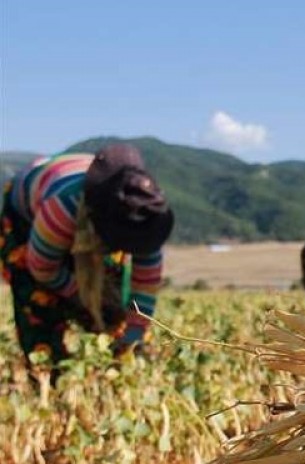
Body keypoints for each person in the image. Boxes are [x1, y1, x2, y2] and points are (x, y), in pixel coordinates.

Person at [0, 143, 174, 381]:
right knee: (38, 300)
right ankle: (49, 379)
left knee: (112, 297)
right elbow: (42, 267)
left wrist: (132, 338)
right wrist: (80, 296)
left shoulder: (146, 214)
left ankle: (110, 365)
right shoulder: (63, 207)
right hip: (26, 217)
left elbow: (144, 286)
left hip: (89, 206)